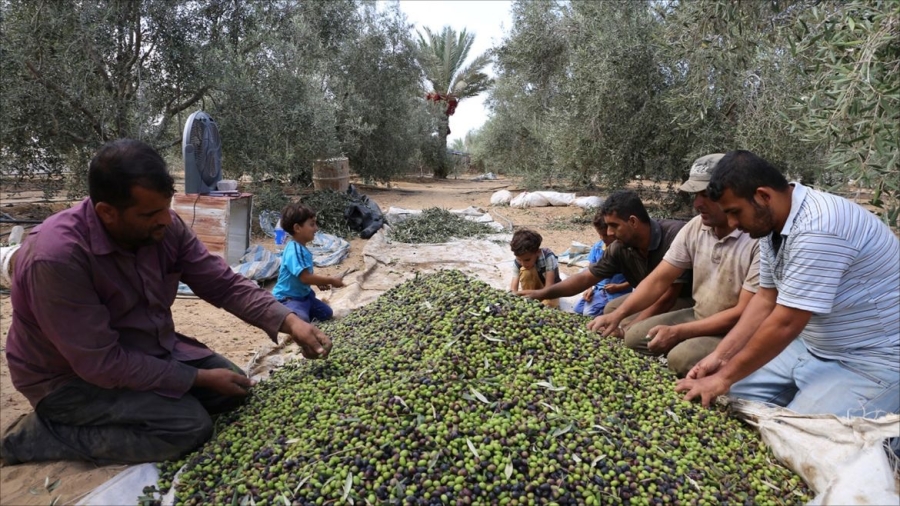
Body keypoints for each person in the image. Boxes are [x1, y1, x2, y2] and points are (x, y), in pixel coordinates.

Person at [1, 139, 333, 466]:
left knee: (232, 390)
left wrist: (290, 321)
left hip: (144, 348)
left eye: (166, 207)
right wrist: (197, 379)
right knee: (188, 427)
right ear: (107, 213)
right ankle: (42, 435)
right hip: (70, 379)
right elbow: (103, 364)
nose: (166, 219)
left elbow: (221, 283)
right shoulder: (57, 259)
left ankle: (161, 400)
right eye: (150, 213)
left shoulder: (163, 226)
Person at [675, 150, 899, 423]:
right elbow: (765, 300)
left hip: (869, 358)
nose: (733, 223)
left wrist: (723, 377)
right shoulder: (772, 227)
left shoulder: (819, 227)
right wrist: (721, 358)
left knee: (802, 435)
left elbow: (786, 322)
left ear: (763, 196)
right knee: (731, 399)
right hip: (810, 346)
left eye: (735, 212)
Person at [589, 154, 760, 376]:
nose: (698, 204)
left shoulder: (755, 237)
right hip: (699, 313)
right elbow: (659, 279)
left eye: (707, 195)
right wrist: (618, 315)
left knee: (680, 358)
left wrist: (678, 332)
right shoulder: (695, 227)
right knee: (634, 338)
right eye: (696, 195)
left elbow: (742, 314)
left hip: (735, 329)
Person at [524, 190, 692, 332]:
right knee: (610, 309)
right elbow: (585, 278)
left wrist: (627, 329)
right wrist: (541, 293)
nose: (609, 233)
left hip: (684, 299)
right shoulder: (621, 246)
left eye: (614, 226)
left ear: (633, 221)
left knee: (632, 333)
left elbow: (668, 298)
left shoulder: (674, 236)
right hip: (652, 296)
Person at [273, 202, 344, 322]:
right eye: (312, 225)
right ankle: (282, 312)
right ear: (297, 228)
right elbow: (305, 278)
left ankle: (301, 310)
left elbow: (306, 276)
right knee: (301, 320)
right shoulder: (295, 250)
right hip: (288, 298)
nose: (316, 229)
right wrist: (331, 280)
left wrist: (317, 282)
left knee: (326, 313)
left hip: (304, 296)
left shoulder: (302, 248)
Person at [573, 213, 631, 317]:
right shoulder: (598, 247)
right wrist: (589, 288)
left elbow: (637, 279)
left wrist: (619, 287)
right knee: (578, 309)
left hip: (617, 292)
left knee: (588, 313)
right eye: (600, 234)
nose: (602, 238)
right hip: (599, 289)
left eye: (605, 235)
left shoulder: (624, 250)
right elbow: (590, 269)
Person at [509, 228, 560, 307]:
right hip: (533, 289)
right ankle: (530, 298)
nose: (523, 263)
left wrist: (521, 294)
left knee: (547, 306)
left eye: (527, 260)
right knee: (525, 271)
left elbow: (549, 288)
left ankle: (534, 298)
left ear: (538, 252)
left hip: (551, 289)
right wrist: (513, 296)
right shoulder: (518, 262)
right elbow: (513, 289)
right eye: (519, 259)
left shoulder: (548, 257)